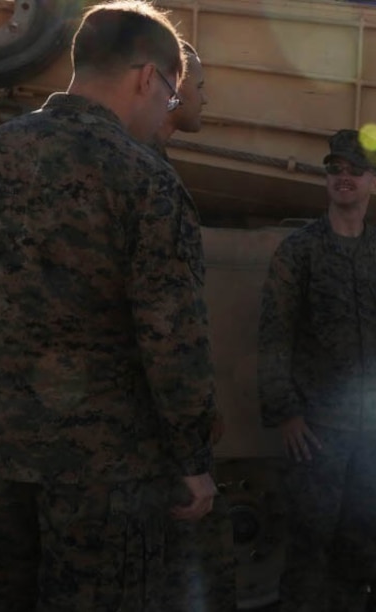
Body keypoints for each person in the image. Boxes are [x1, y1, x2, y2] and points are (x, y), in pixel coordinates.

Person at [0, 2, 219, 610]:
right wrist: (192, 459)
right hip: (104, 477)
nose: (166, 108)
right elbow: (172, 339)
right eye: (171, 95)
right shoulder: (145, 179)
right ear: (148, 77)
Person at [258, 128, 376, 611]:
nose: (343, 177)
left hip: (372, 429)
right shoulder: (300, 251)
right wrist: (286, 412)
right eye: (335, 169)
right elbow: (273, 336)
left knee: (363, 543)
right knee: (309, 545)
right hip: (316, 430)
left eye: (356, 170)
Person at [151, 43, 236, 612]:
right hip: (147, 446)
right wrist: (191, 452)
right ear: (168, 87)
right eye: (197, 85)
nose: (204, 97)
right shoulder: (146, 178)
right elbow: (167, 328)